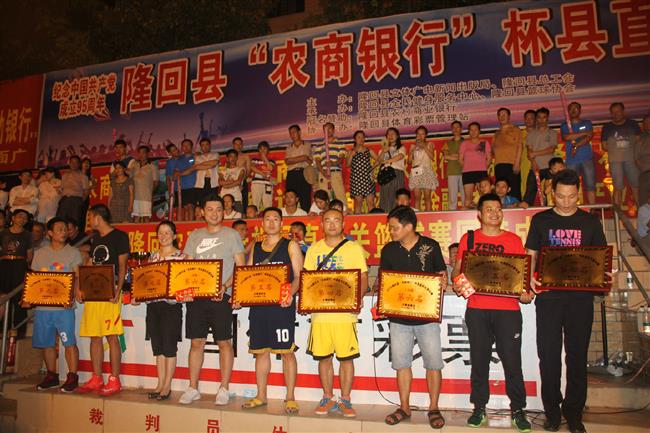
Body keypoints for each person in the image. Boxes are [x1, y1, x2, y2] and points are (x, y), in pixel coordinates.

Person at [525, 169, 608, 433]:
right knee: (548, 356)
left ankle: (573, 413)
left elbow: (601, 259)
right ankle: (551, 412)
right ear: (552, 193)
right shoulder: (541, 220)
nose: (566, 202)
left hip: (580, 299)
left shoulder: (590, 222)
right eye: (561, 196)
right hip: (548, 298)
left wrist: (606, 277)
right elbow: (531, 255)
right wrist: (529, 279)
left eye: (572, 197)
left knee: (576, 356)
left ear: (578, 194)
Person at [451, 193, 533, 432]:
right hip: (477, 309)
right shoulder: (469, 238)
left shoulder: (513, 240)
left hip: (508, 311)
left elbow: (521, 276)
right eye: (489, 209)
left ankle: (518, 409)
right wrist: (458, 283)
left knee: (512, 362)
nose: (495, 213)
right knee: (479, 361)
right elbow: (457, 270)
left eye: (498, 209)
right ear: (479, 214)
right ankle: (479, 408)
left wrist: (525, 292)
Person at [379, 206, 447, 428]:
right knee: (401, 364)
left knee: (433, 363)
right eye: (390, 228)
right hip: (399, 318)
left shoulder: (430, 246)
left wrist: (442, 281)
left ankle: (433, 408)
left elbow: (441, 274)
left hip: (427, 317)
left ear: (409, 227)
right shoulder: (389, 250)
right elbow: (385, 281)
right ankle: (404, 407)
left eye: (394, 227)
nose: (391, 231)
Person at [180, 193, 246, 405]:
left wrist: (225, 287)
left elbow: (241, 267)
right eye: (210, 209)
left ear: (223, 212)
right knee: (196, 342)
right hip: (197, 298)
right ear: (202, 212)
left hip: (221, 297)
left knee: (224, 342)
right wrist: (185, 288)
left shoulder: (232, 235)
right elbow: (186, 266)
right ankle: (193, 387)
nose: (214, 213)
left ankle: (224, 388)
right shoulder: (194, 236)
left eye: (218, 209)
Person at [304, 208, 368, 417]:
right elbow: (307, 279)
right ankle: (328, 396)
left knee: (346, 358)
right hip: (320, 315)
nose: (332, 224)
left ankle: (345, 399)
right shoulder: (314, 249)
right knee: (324, 358)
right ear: (321, 224)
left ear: (343, 223)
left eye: (336, 220)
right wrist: (305, 301)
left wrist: (358, 298)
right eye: (328, 220)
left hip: (344, 315)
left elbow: (363, 277)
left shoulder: (353, 248)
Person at [239, 207, 304, 413]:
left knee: (287, 352)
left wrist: (290, 294)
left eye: (276, 219)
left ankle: (290, 397)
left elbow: (299, 276)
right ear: (262, 223)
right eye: (267, 219)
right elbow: (248, 276)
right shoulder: (256, 247)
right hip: (259, 307)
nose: (271, 222)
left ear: (281, 223)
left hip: (282, 307)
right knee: (261, 352)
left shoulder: (290, 245)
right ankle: (261, 396)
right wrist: (239, 296)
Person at [76, 204, 129, 396]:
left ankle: (114, 379)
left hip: (110, 292)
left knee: (111, 335)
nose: (89, 221)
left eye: (90, 217)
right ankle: (96, 377)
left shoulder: (120, 236)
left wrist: (118, 290)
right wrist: (80, 287)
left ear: (98, 217)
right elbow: (90, 263)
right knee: (94, 336)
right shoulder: (96, 238)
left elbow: (123, 266)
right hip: (93, 292)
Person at [26, 217, 82, 392]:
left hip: (64, 308)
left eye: (65, 229)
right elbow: (34, 278)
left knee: (69, 342)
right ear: (49, 233)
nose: (63, 232)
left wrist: (73, 295)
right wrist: (28, 297)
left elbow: (77, 277)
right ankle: (52, 376)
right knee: (46, 343)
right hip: (43, 307)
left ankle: (72, 377)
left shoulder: (73, 252)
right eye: (59, 229)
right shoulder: (40, 253)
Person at [139, 221, 185, 400]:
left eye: (167, 233)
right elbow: (146, 282)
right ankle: (159, 384)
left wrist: (183, 295)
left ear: (174, 236)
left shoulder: (181, 257)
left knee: (169, 347)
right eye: (160, 233)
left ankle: (167, 386)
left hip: (171, 307)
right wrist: (138, 294)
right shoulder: (153, 257)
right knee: (158, 348)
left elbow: (185, 284)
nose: (164, 236)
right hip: (153, 306)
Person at [0, 209, 33, 337]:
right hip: (4, 265)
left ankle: (19, 331)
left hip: (20, 265)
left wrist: (25, 265)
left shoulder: (28, 235)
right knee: (4, 295)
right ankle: (3, 329)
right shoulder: (3, 233)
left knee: (19, 297)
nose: (22, 219)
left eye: (25, 218)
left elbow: (29, 255)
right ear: (13, 218)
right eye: (20, 216)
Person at [601, 102, 641, 206]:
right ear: (611, 113)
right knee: (617, 187)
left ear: (623, 111)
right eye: (613, 112)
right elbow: (604, 146)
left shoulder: (632, 124)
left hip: (632, 159)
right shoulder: (607, 127)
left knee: (636, 185)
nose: (616, 114)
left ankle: (642, 212)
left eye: (618, 111)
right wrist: (617, 147)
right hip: (615, 161)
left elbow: (639, 141)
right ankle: (617, 214)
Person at [561, 102, 596, 205]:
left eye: (576, 108)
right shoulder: (565, 125)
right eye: (571, 108)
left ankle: (593, 209)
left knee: (590, 185)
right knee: (571, 186)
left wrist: (576, 145)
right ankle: (573, 208)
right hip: (571, 160)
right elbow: (566, 137)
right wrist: (584, 133)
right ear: (568, 111)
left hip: (587, 159)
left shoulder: (586, 123)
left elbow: (589, 136)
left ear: (580, 110)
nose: (573, 110)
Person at [524, 108, 558, 206]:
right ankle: (527, 213)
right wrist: (533, 163)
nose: (541, 120)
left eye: (544, 117)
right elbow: (529, 152)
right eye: (539, 117)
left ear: (547, 118)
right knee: (529, 192)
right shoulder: (531, 134)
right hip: (535, 166)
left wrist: (535, 153)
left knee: (551, 192)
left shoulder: (552, 132)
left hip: (550, 168)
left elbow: (551, 149)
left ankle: (552, 210)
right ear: (536, 119)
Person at [314, 122, 347, 206]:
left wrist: (333, 163)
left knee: (339, 194)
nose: (327, 131)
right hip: (323, 174)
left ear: (333, 130)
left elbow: (341, 159)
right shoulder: (319, 145)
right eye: (325, 129)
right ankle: (326, 212)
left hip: (335, 172)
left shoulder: (340, 143)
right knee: (324, 196)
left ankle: (343, 211)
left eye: (330, 129)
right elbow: (317, 161)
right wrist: (323, 172)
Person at [493, 108, 523, 201]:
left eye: (504, 115)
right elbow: (493, 150)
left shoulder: (515, 129)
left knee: (514, 192)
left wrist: (517, 163)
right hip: (499, 166)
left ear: (509, 116)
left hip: (512, 165)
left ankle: (516, 209)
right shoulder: (496, 133)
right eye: (500, 115)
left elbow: (520, 146)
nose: (502, 117)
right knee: (500, 192)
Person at [460, 122, 492, 208]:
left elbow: (489, 159)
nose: (473, 132)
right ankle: (467, 215)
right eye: (471, 130)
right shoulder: (464, 144)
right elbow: (460, 159)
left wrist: (483, 168)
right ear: (469, 132)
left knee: (483, 197)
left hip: (481, 172)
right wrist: (467, 168)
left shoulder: (484, 143)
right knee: (468, 199)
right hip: (467, 173)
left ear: (479, 131)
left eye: (475, 130)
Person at [346, 130, 378, 214]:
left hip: (367, 179)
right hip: (356, 179)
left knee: (370, 202)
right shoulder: (351, 151)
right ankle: (358, 221)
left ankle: (373, 220)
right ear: (355, 139)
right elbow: (348, 164)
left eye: (362, 137)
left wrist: (372, 168)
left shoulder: (368, 150)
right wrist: (352, 154)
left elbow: (379, 160)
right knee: (358, 203)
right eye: (359, 137)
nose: (361, 139)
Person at [378, 127, 407, 213]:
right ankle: (385, 216)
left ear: (397, 136)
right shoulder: (382, 150)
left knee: (397, 197)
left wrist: (388, 161)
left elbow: (400, 156)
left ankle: (398, 216)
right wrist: (384, 151)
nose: (390, 136)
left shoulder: (401, 147)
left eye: (393, 134)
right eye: (388, 134)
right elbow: (379, 161)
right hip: (385, 174)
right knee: (385, 197)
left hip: (396, 173)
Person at [284, 124, 313, 212]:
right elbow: (287, 161)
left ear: (299, 132)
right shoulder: (289, 147)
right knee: (290, 198)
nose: (292, 135)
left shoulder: (308, 145)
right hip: (291, 174)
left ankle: (306, 218)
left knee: (305, 199)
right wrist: (303, 157)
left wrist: (294, 159)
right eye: (290, 133)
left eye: (294, 132)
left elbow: (310, 161)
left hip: (304, 173)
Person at [409, 126, 438, 211]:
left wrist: (424, 146)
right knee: (417, 198)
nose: (420, 136)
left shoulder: (429, 144)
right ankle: (417, 216)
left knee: (427, 197)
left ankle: (429, 215)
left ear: (425, 135)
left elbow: (432, 157)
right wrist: (411, 151)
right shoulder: (413, 146)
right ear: (416, 135)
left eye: (422, 134)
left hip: (426, 171)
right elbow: (409, 161)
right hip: (416, 172)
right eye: (418, 134)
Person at [57, 156, 89, 233]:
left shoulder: (83, 176)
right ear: (69, 163)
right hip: (64, 201)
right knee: (61, 221)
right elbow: (62, 189)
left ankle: (75, 239)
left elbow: (86, 191)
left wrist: (80, 202)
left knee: (75, 222)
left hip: (76, 201)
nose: (73, 164)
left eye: (76, 162)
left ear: (79, 164)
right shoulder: (64, 176)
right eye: (72, 162)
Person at [131, 145, 160, 223]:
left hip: (146, 197)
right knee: (136, 217)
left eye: (143, 152)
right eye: (140, 153)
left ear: (147, 154)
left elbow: (156, 182)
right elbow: (129, 177)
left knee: (146, 217)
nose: (141, 155)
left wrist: (151, 193)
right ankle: (136, 231)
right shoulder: (134, 165)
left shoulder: (152, 167)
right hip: (135, 197)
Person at [173, 139, 198, 221]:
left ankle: (190, 226)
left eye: (188, 145)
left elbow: (193, 168)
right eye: (184, 146)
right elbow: (175, 173)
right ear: (182, 148)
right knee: (182, 208)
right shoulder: (179, 159)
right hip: (180, 188)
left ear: (192, 147)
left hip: (192, 186)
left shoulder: (196, 157)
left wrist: (180, 173)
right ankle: (182, 226)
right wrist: (177, 173)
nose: (186, 147)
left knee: (190, 207)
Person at [442, 121, 464, 210]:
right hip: (452, 171)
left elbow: (466, 157)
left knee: (465, 195)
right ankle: (452, 212)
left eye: (457, 127)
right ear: (451, 130)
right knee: (452, 197)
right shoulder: (447, 143)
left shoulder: (466, 142)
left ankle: (466, 212)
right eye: (453, 127)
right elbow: (445, 156)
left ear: (461, 129)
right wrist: (459, 156)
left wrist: (452, 156)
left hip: (464, 171)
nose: (455, 129)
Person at [193, 138, 220, 205]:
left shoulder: (215, 154)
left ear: (210, 145)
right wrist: (209, 164)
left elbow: (214, 163)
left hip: (213, 182)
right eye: (203, 145)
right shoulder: (198, 157)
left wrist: (201, 164)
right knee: (202, 203)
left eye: (207, 144)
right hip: (200, 183)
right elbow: (197, 167)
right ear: (201, 147)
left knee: (213, 202)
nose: (205, 147)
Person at [250, 141, 276, 211]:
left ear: (268, 150)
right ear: (258, 150)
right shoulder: (255, 159)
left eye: (264, 149)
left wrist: (264, 158)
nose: (262, 151)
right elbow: (252, 167)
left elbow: (270, 168)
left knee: (268, 204)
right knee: (255, 203)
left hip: (267, 184)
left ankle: (268, 216)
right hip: (256, 183)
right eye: (261, 149)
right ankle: (255, 217)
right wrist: (262, 173)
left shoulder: (271, 161)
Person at [633, 114, 650, 206]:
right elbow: (636, 158)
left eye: (649, 123)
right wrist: (645, 169)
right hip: (645, 173)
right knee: (643, 202)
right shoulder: (640, 139)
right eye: (645, 123)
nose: (648, 125)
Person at [520, 110, 536, 199]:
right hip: (524, 164)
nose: (529, 120)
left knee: (539, 185)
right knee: (525, 186)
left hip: (538, 164)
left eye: (531, 118)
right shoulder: (520, 134)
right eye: (527, 118)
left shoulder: (540, 133)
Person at [232, 137, 251, 212]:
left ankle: (244, 217)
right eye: (236, 144)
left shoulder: (245, 156)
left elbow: (248, 171)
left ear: (242, 145)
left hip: (242, 182)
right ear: (233, 145)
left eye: (240, 144)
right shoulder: (230, 157)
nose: (238, 146)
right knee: (231, 201)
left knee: (244, 202)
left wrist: (241, 182)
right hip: (231, 182)